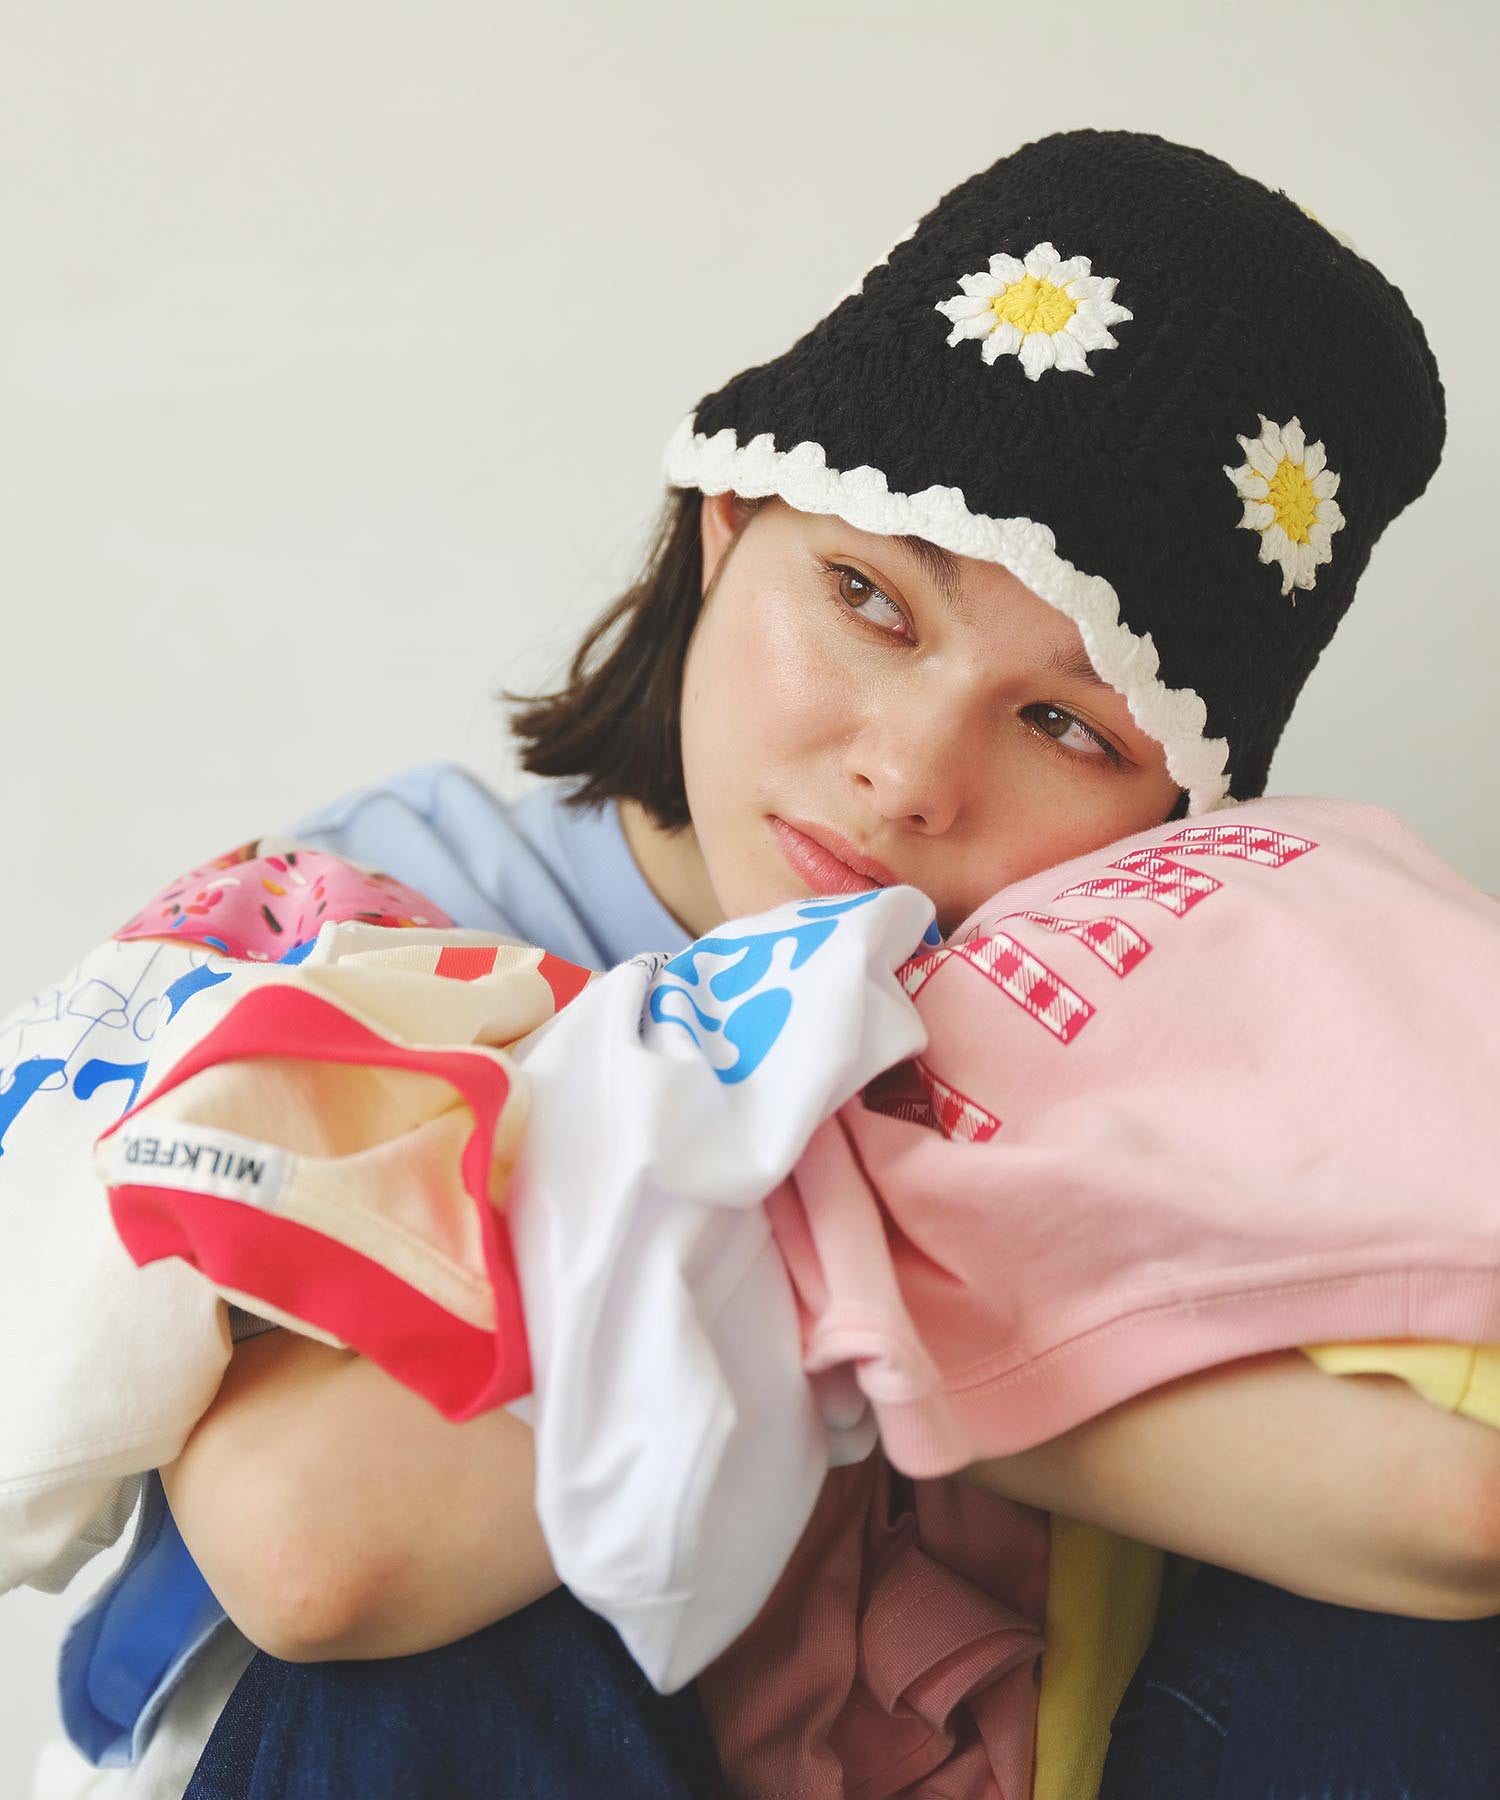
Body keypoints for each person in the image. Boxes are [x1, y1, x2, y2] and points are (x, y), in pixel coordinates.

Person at [30, 128, 1500, 1800]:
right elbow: (327, 1550)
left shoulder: (1141, 1040)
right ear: (733, 525)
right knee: (522, 1579)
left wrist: (746, 1290)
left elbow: (1455, 1518)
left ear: (1178, 822)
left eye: (1065, 726)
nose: (911, 774)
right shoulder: (398, 917)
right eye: (872, 600)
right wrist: (942, 1324)